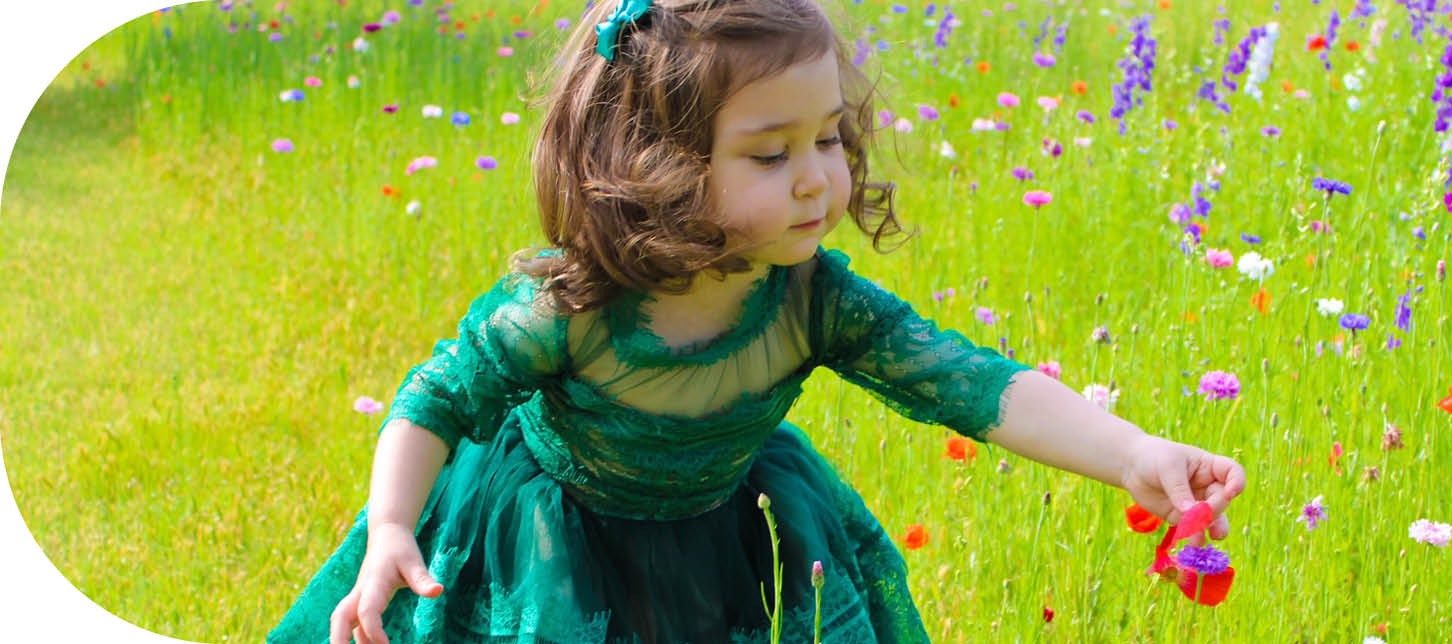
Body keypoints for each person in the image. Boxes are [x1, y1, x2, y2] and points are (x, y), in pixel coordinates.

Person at [269, 1, 1246, 642]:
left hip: (726, 535)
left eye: (828, 136)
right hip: (552, 541)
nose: (818, 176)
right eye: (771, 154)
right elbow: (436, 399)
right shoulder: (571, 309)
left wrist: (1132, 454)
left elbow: (973, 384)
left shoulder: (812, 299)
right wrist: (391, 525)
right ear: (657, 163)